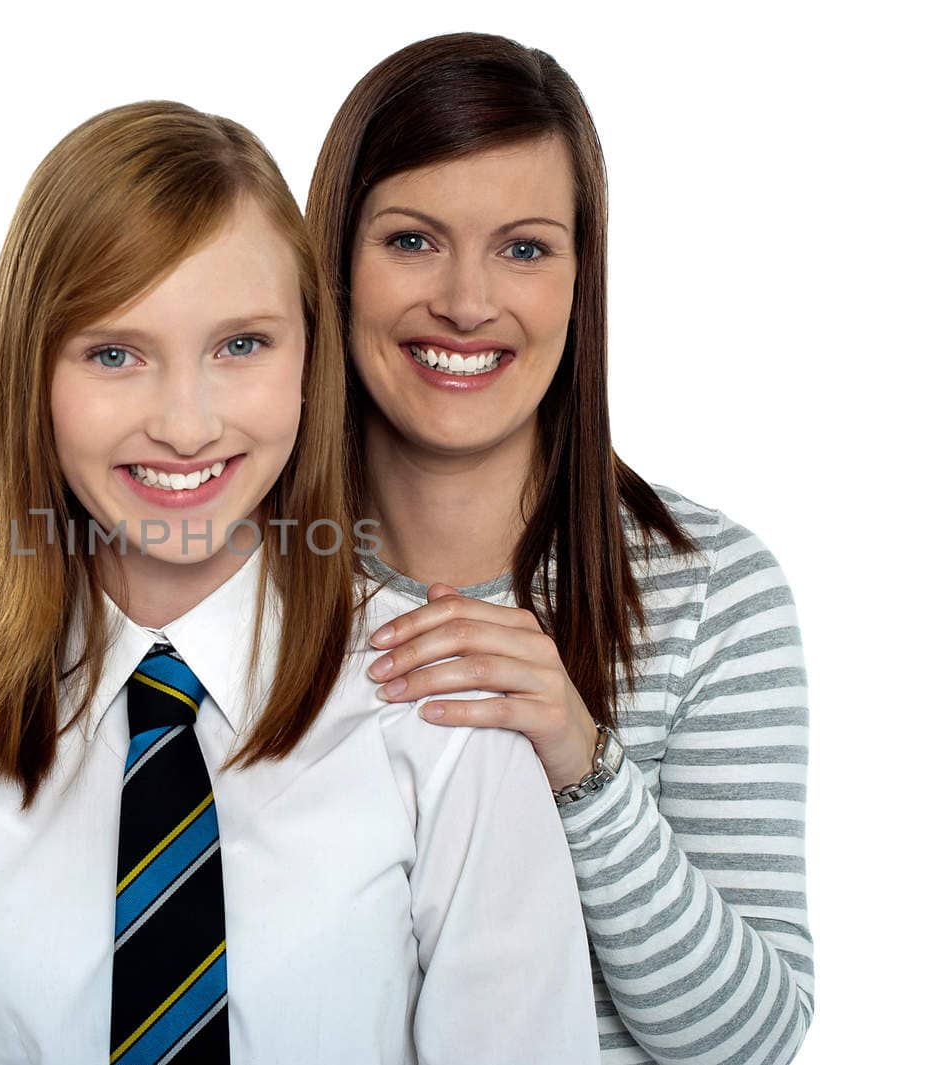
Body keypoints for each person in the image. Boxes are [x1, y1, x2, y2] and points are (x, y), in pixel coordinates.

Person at [0, 100, 599, 1063]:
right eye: (114, 353)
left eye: (240, 346)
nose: (185, 425)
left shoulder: (437, 710)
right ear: (30, 375)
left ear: (313, 356)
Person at [306, 33, 814, 1065]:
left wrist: (582, 767)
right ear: (336, 265)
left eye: (524, 248)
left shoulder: (710, 590)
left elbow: (750, 1045)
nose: (464, 299)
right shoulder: (228, 583)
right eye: (410, 240)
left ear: (582, 281)